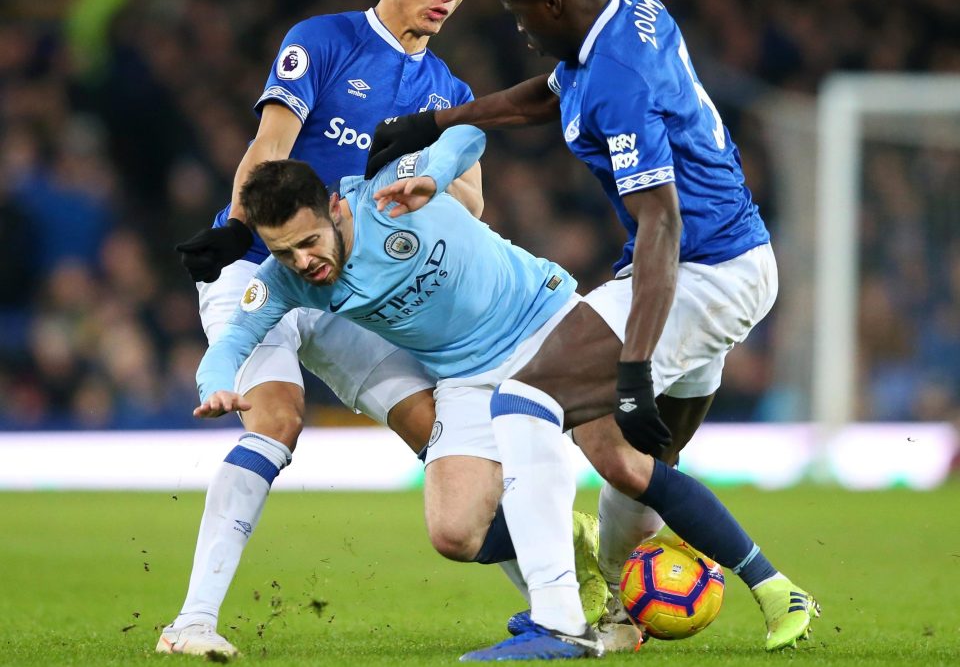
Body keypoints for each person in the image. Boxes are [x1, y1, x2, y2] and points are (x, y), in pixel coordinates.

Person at [366, 0, 819, 658]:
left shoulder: (619, 81)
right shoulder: (627, 8)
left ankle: (558, 621)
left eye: (520, 15)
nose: (520, 30)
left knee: (525, 400)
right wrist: (435, 119)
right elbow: (544, 97)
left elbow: (663, 222)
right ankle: (727, 596)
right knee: (628, 460)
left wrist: (635, 363)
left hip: (695, 269)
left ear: (553, 1)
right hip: (734, 257)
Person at [200, 127, 815, 661]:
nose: (303, 262)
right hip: (467, 375)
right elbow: (233, 341)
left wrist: (434, 173)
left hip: (545, 322)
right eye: (285, 251)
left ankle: (772, 585)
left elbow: (469, 138)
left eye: (309, 242)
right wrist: (216, 384)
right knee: (455, 533)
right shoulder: (285, 280)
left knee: (620, 464)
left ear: (334, 207)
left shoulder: (388, 195)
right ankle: (574, 549)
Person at [157, 0, 480, 657]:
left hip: (347, 286)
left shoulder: (449, 88)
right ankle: (193, 623)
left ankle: (557, 605)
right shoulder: (323, 41)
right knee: (277, 419)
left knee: (441, 433)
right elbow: (268, 150)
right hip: (263, 265)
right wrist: (239, 233)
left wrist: (411, 178)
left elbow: (473, 201)